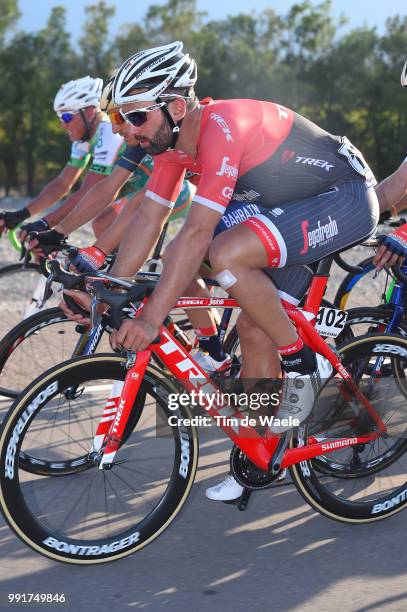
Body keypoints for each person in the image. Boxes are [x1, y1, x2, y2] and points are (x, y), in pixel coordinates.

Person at [0, 76, 124, 240]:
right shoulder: (83, 139)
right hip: (136, 192)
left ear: (89, 112)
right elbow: (62, 184)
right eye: (60, 118)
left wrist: (47, 224)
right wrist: (21, 214)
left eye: (66, 117)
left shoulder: (109, 133)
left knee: (103, 223)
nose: (62, 125)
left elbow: (90, 191)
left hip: (155, 189)